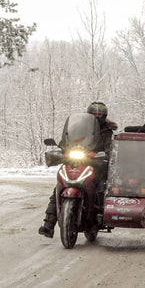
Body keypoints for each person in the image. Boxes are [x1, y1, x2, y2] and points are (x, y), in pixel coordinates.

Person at [38, 101, 117, 238]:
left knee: (101, 187)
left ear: (105, 116)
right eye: (94, 114)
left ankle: (98, 216)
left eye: (100, 114)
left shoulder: (107, 132)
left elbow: (110, 150)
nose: (97, 116)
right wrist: (61, 150)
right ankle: (48, 223)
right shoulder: (78, 128)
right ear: (89, 115)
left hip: (96, 165)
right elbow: (66, 142)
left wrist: (103, 155)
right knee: (60, 185)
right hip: (75, 162)